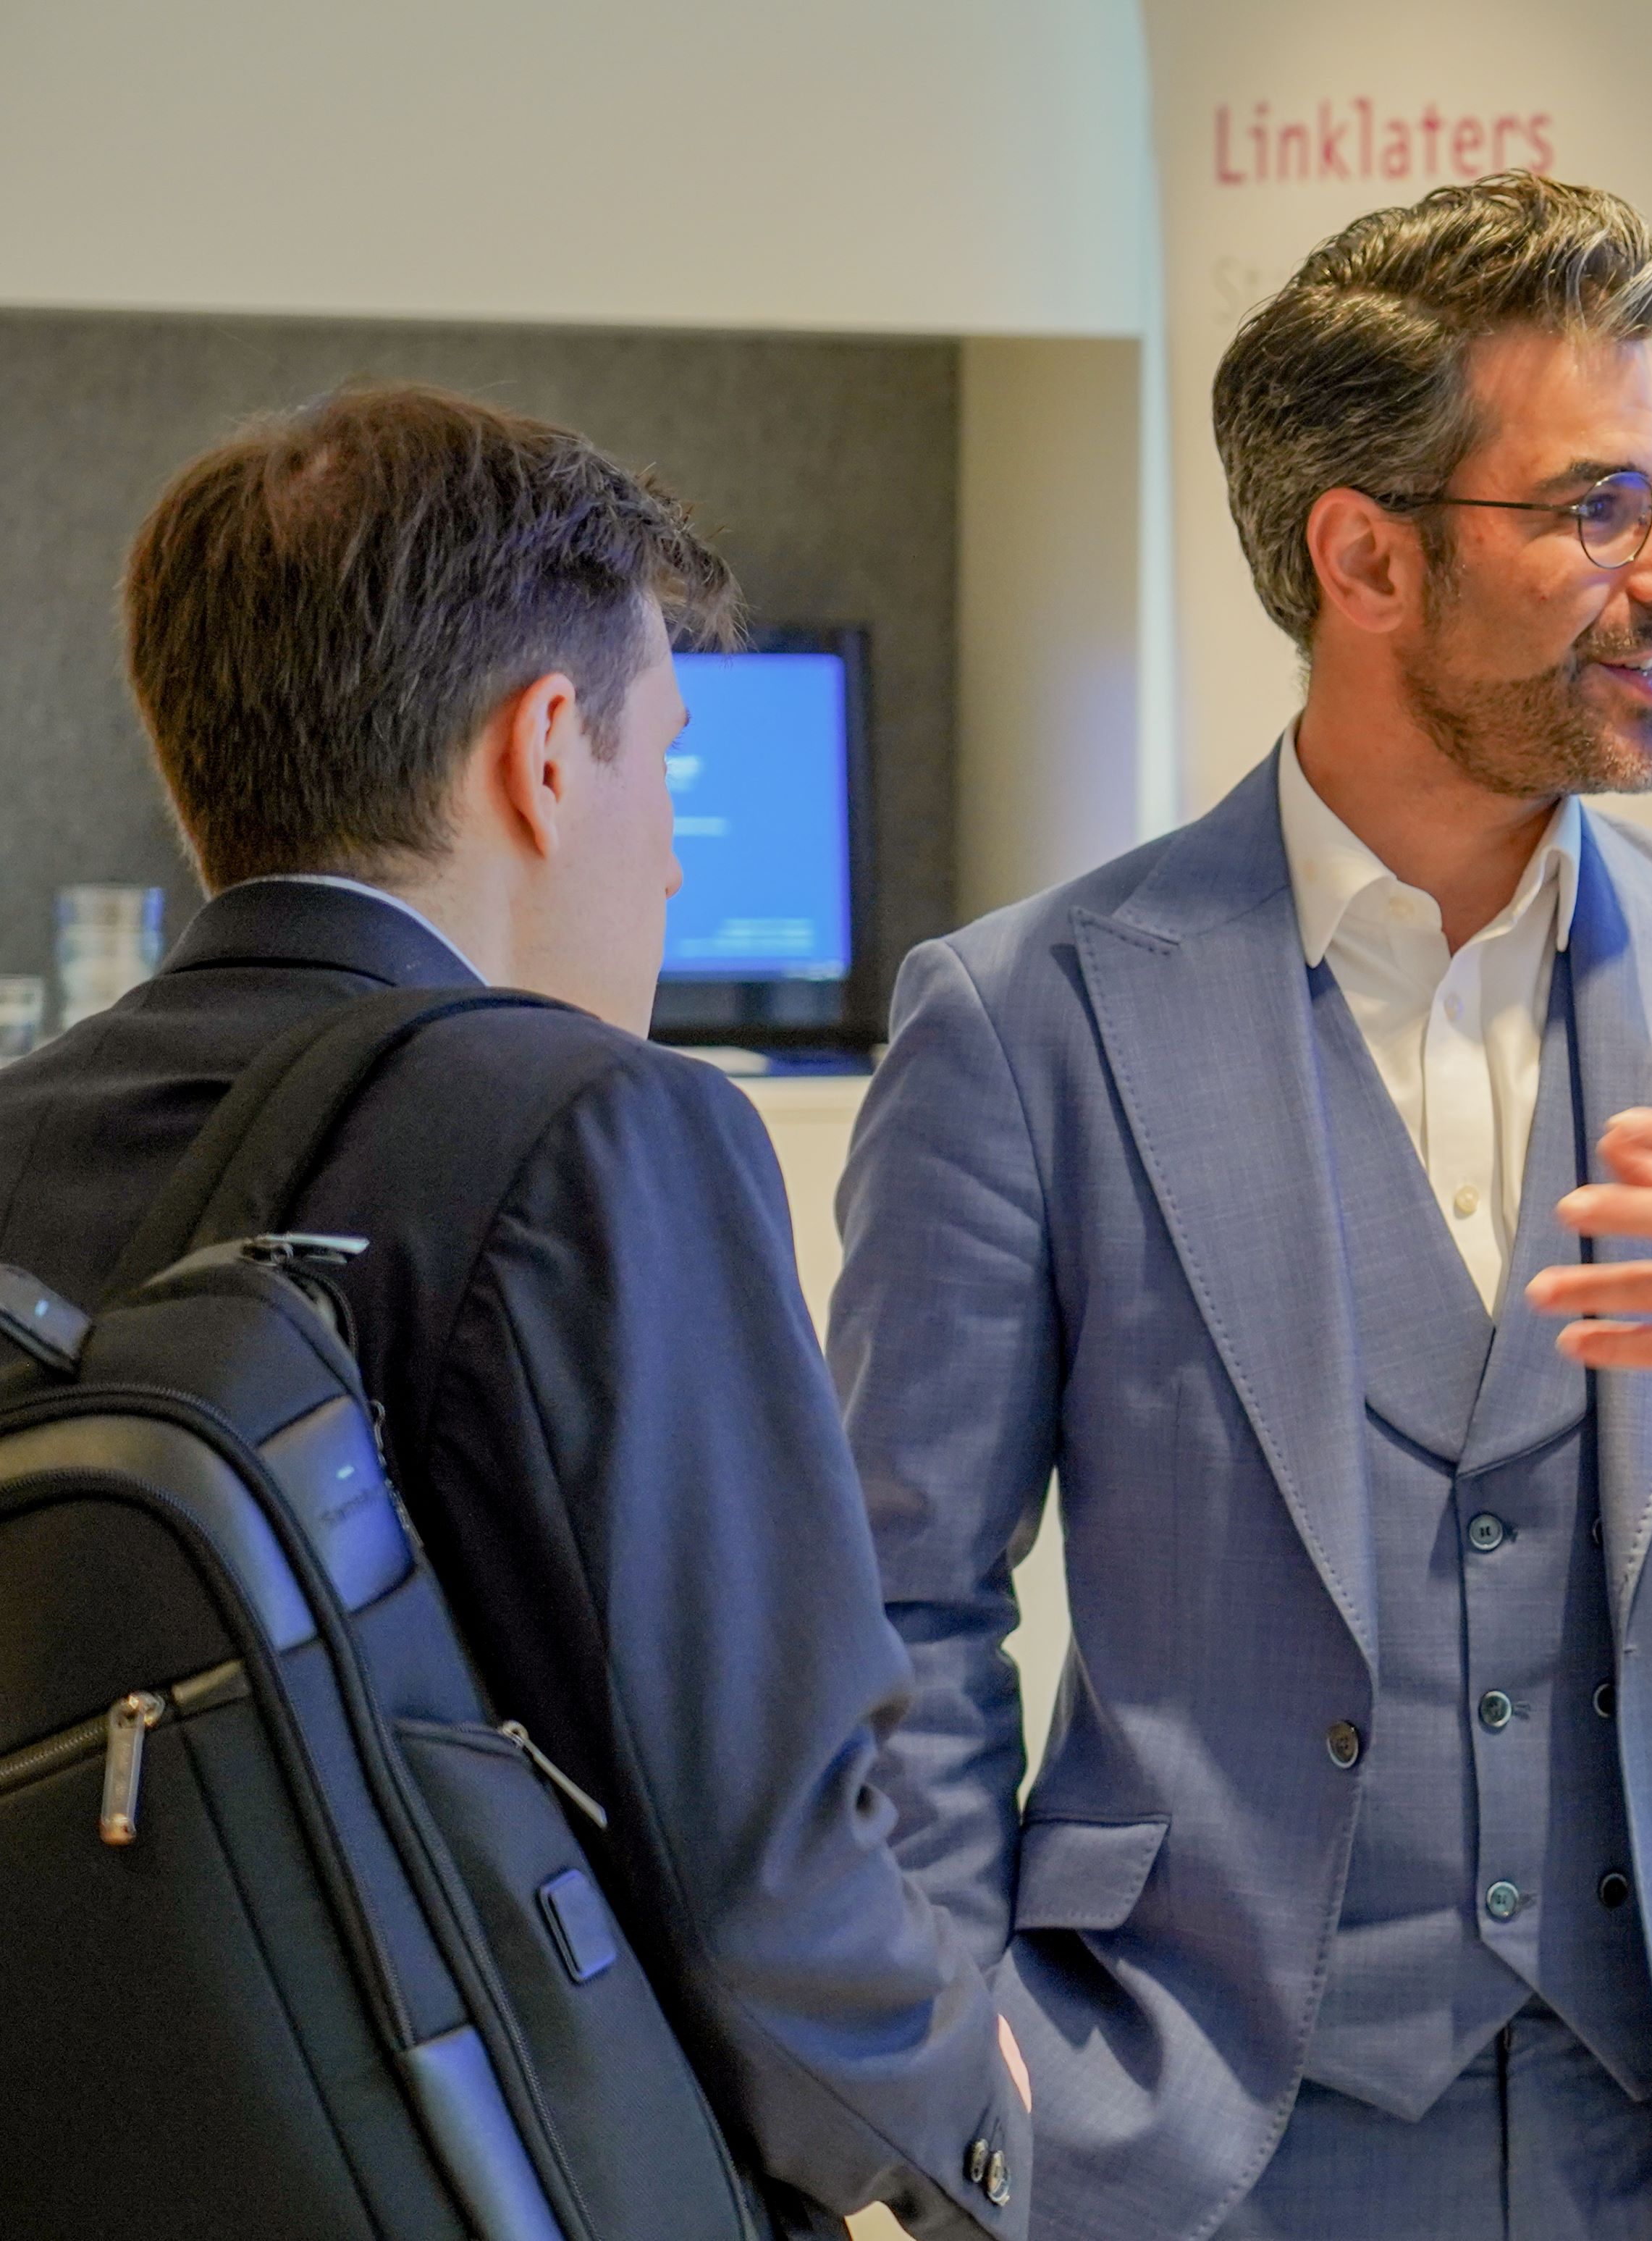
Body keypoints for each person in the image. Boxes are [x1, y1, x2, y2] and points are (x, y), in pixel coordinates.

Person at [833, 172, 1652, 2241]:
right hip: (1212, 2135)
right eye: (1597, 508)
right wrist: (970, 2066)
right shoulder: (1027, 1023)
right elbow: (901, 1610)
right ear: (1366, 559)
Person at [0, 382, 1031, 2240]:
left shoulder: (17, 1139)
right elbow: (777, 1894)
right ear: (548, 751)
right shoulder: (601, 1131)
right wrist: (972, 2120)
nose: (675, 852)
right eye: (666, 766)